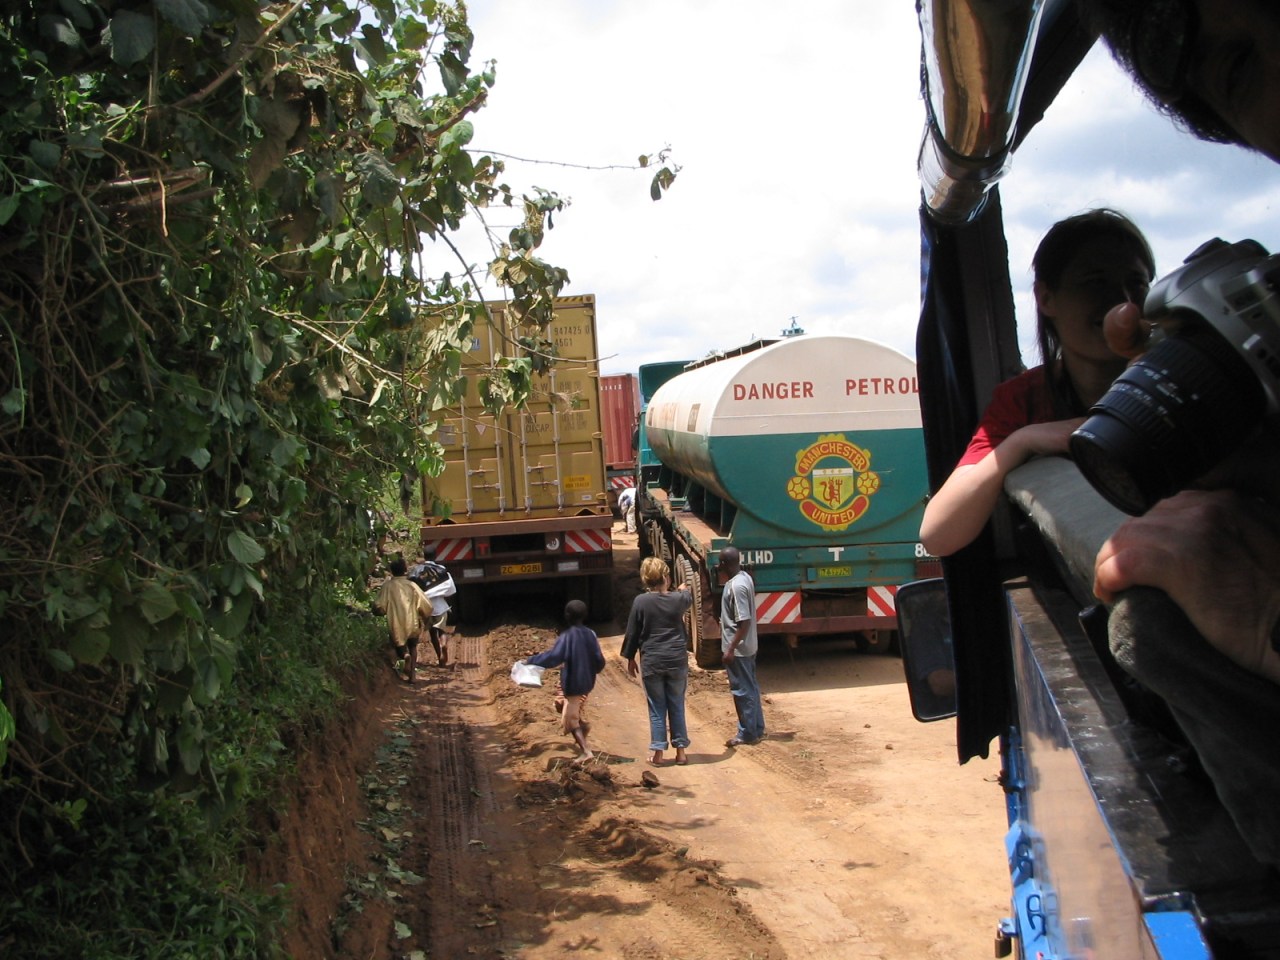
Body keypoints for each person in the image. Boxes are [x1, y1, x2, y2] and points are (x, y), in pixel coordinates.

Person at [919, 208, 1155, 557]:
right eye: (1095, 282)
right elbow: (938, 534)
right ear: (1047, 298)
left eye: (1136, 283)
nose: (1122, 301)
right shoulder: (1024, 400)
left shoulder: (1171, 382)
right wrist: (1022, 441)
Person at [621, 557, 693, 766]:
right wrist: (681, 589)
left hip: (652, 662)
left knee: (656, 707)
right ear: (665, 577)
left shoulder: (641, 602)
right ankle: (681, 753)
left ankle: (658, 753)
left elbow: (632, 632)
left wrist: (630, 657)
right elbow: (687, 596)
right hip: (677, 661)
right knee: (677, 704)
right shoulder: (678, 599)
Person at [527, 599, 606, 764]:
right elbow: (599, 659)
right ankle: (582, 727)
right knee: (562, 706)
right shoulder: (590, 634)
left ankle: (586, 752)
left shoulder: (567, 637)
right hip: (587, 681)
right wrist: (594, 670)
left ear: (567, 616)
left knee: (569, 720)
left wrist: (532, 660)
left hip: (573, 683)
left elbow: (553, 657)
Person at [719, 546, 765, 747]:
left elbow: (743, 621)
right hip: (749, 646)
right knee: (751, 686)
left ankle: (747, 733)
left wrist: (730, 649)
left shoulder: (736, 587)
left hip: (739, 650)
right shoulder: (745, 577)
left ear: (723, 564)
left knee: (742, 690)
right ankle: (756, 727)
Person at [373, 557, 433, 683]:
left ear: (391, 571)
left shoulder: (387, 586)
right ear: (405, 570)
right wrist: (425, 617)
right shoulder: (412, 585)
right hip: (412, 622)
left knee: (398, 645)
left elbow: (380, 606)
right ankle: (413, 676)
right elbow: (426, 605)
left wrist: (376, 611)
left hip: (396, 623)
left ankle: (404, 656)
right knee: (413, 647)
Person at [409, 554, 456, 667]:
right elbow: (451, 589)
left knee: (432, 633)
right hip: (440, 606)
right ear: (435, 556)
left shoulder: (416, 571)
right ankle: (443, 645)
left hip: (426, 608)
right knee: (442, 631)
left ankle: (439, 657)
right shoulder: (441, 570)